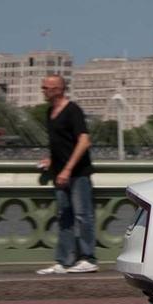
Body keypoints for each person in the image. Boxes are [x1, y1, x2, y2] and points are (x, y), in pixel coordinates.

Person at [36, 74, 98, 275]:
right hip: (59, 173)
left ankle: (88, 258)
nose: (43, 90)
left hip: (77, 173)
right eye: (43, 87)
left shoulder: (73, 110)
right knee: (64, 217)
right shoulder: (49, 112)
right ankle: (64, 261)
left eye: (46, 87)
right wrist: (52, 161)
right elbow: (60, 143)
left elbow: (84, 141)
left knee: (82, 216)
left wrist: (68, 169)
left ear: (59, 89)